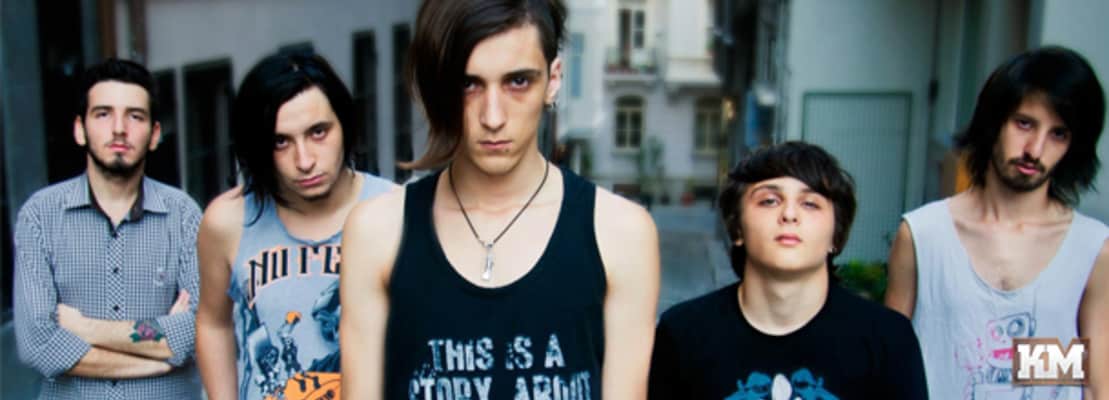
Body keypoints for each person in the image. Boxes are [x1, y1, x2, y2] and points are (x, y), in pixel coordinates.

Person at [339, 0, 661, 398]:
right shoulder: (377, 231)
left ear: (553, 79)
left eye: (518, 82)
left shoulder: (621, 234)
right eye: (468, 84)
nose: (493, 117)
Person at [885, 46, 1109, 400]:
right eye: (1024, 123)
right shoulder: (923, 234)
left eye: (1058, 134)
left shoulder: (1092, 249)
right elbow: (891, 370)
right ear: (994, 123)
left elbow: (1097, 385)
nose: (1035, 149)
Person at [649, 142, 928, 399]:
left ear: (836, 234)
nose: (789, 215)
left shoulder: (887, 339)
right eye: (769, 201)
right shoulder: (683, 333)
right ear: (737, 228)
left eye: (810, 203)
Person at [195, 52, 395, 400]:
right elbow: (213, 323)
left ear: (344, 124)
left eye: (318, 132)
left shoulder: (395, 210)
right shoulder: (228, 221)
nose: (304, 161)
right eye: (281, 142)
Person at [13, 58, 201, 399]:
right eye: (103, 114)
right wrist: (158, 357)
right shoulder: (40, 216)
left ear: (154, 135)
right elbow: (37, 343)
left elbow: (196, 333)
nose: (119, 129)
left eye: (135, 116)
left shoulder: (184, 215)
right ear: (79, 129)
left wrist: (84, 329)